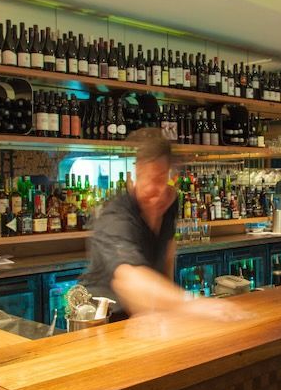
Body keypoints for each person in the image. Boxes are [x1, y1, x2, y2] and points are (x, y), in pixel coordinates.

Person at [79, 129, 241, 320]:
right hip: (103, 321)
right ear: (136, 174)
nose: (158, 190)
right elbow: (129, 280)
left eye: (162, 178)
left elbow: (167, 256)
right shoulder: (116, 216)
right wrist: (193, 304)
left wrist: (166, 312)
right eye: (150, 179)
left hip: (141, 317)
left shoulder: (169, 202)